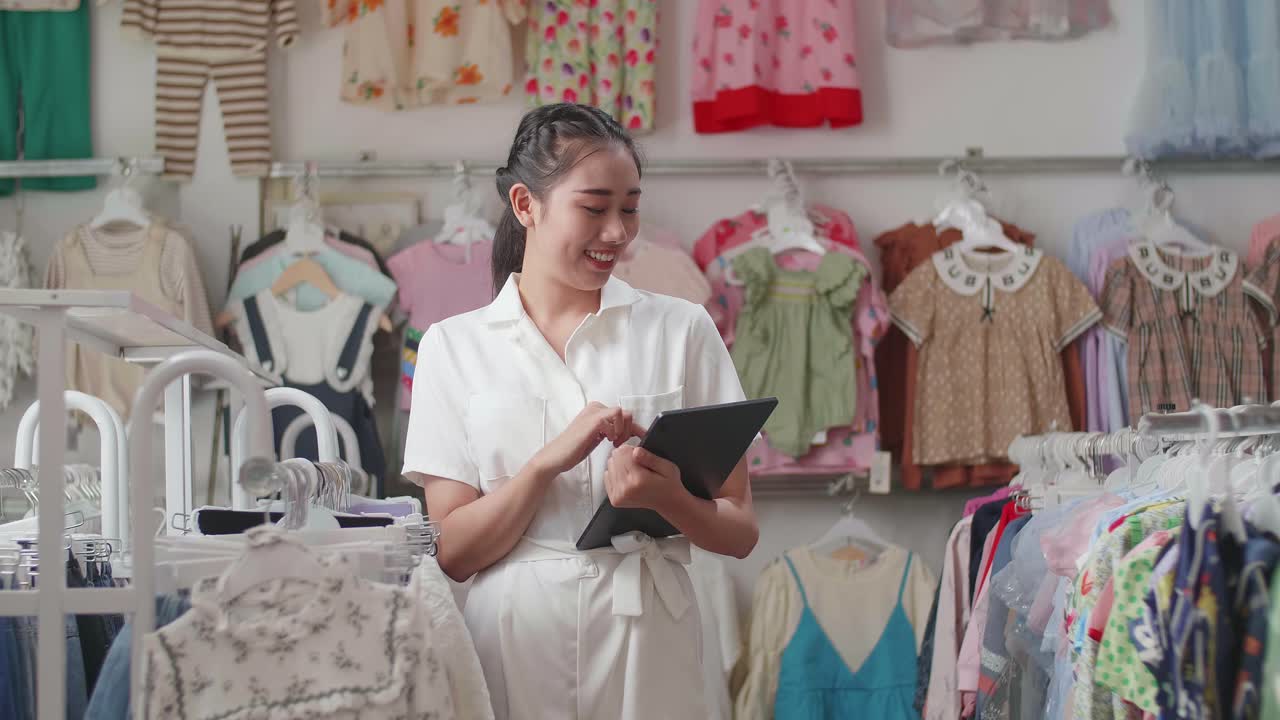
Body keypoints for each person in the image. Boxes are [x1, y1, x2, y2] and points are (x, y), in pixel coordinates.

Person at [402, 103, 760, 719]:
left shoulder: (681, 329)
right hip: (513, 640)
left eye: (630, 208)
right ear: (525, 205)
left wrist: (667, 497)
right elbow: (453, 553)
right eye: (594, 209)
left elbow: (741, 531)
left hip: (649, 639)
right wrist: (546, 464)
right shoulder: (453, 347)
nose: (617, 232)